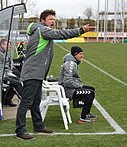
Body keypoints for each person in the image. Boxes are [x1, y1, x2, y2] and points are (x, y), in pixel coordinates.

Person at [15, 9, 95, 140]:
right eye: (50, 19)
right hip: (32, 73)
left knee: (35, 101)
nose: (53, 22)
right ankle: (20, 131)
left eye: (54, 19)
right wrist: (80, 30)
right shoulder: (43, 30)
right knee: (26, 102)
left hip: (37, 73)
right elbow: (61, 33)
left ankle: (38, 126)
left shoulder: (41, 31)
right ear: (43, 21)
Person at [58, 46, 97, 124]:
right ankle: (83, 118)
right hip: (67, 91)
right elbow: (67, 81)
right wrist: (79, 86)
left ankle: (87, 113)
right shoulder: (70, 64)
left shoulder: (72, 62)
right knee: (90, 93)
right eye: (80, 54)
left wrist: (79, 85)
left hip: (69, 88)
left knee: (91, 89)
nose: (82, 56)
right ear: (75, 54)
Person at [0, 39, 23, 107]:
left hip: (6, 73)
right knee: (17, 82)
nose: (9, 47)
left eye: (10, 45)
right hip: (4, 74)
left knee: (18, 79)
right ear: (2, 45)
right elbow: (1, 67)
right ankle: (25, 102)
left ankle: (7, 100)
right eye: (7, 45)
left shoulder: (4, 53)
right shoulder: (0, 54)